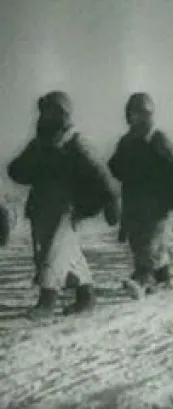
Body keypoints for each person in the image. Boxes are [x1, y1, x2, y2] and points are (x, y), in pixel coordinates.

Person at [8, 91, 119, 318]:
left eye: (51, 111)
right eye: (44, 111)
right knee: (63, 253)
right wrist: (27, 167)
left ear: (62, 114)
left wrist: (110, 200)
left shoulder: (74, 143)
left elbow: (100, 172)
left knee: (53, 252)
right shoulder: (38, 144)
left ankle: (47, 303)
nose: (46, 116)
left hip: (65, 208)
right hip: (40, 206)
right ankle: (86, 297)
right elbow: (17, 170)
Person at [108, 93, 173, 299]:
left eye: (139, 115)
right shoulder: (127, 142)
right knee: (138, 241)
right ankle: (164, 277)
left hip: (158, 203)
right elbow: (114, 167)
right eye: (131, 115)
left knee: (148, 244)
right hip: (134, 201)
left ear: (147, 115)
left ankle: (142, 279)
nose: (135, 119)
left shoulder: (158, 140)